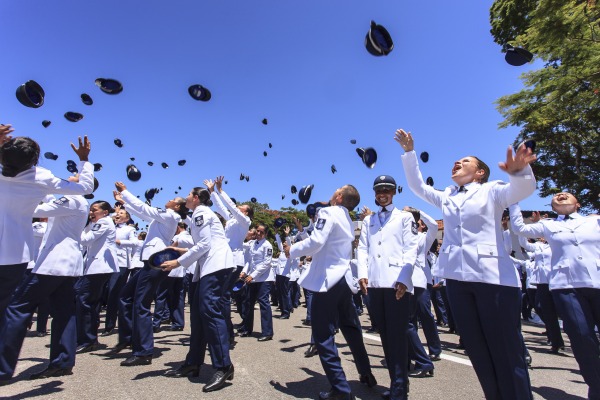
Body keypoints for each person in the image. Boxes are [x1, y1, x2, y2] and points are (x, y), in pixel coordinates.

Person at [396, 128, 537, 400]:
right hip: (457, 280)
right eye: (456, 161)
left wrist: (519, 172)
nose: (457, 163)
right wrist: (409, 152)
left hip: (493, 279)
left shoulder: (492, 191)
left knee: (507, 352)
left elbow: (522, 189)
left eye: (465, 161)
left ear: (480, 172)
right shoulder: (447, 195)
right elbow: (418, 187)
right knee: (478, 352)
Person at [284, 185, 376, 400]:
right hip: (343, 279)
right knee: (352, 329)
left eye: (336, 191)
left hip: (328, 282)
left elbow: (316, 241)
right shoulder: (346, 217)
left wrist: (293, 250)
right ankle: (366, 373)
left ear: (339, 197)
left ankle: (341, 390)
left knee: (323, 336)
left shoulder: (328, 212)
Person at [0, 176, 92, 384]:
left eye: (73, 178)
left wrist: (17, 197)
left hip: (55, 264)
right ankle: (62, 361)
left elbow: (37, 210)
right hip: (65, 265)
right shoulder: (71, 200)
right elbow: (49, 197)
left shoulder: (73, 199)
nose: (67, 180)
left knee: (17, 306)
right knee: (64, 313)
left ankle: (3, 367)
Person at [509, 194, 600, 400]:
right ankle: (596, 386)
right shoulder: (548, 225)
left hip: (597, 281)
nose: (560, 195)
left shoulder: (593, 221)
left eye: (567, 195)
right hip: (566, 286)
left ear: (578, 204)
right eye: (556, 197)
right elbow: (519, 229)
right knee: (581, 337)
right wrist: (514, 198)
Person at [0, 129, 93, 321]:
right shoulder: (41, 178)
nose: (73, 174)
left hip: (30, 257)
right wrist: (84, 159)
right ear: (34, 160)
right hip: (15, 254)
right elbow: (85, 187)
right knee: (9, 307)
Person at [161, 187, 235, 392]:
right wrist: (181, 251)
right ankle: (194, 361)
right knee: (197, 314)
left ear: (195, 198)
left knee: (209, 312)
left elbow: (204, 244)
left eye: (188, 194)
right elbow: (204, 243)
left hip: (216, 265)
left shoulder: (201, 212)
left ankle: (223, 366)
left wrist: (178, 262)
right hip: (205, 267)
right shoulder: (198, 214)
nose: (185, 197)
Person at [106, 183, 187, 366]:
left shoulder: (170, 215)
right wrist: (124, 202)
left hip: (155, 262)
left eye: (173, 200)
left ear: (177, 206)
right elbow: (143, 213)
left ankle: (143, 351)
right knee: (125, 296)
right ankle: (128, 338)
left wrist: (125, 192)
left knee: (140, 304)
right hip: (149, 262)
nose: (169, 199)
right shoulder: (164, 216)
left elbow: (144, 209)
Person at [356, 176, 419, 400]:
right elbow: (362, 248)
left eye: (387, 190)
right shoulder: (368, 221)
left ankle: (400, 389)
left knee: (398, 338)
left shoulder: (405, 217)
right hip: (374, 283)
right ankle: (397, 384)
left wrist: (404, 278)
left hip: (396, 284)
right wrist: (362, 274)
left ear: (393, 193)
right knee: (385, 336)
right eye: (379, 190)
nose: (382, 194)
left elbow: (411, 249)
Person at [76, 200, 119, 353]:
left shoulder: (104, 222)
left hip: (99, 267)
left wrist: (78, 227)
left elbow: (85, 239)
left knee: (84, 300)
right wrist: (88, 223)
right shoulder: (97, 223)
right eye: (90, 210)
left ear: (105, 212)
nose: (91, 212)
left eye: (94, 210)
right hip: (94, 267)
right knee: (89, 302)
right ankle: (88, 338)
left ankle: (88, 339)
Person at [102, 207, 136, 336]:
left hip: (120, 263)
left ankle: (110, 325)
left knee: (113, 293)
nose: (117, 214)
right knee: (102, 293)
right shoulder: (108, 225)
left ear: (127, 218)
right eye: (117, 213)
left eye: (121, 213)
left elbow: (134, 242)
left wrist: (120, 242)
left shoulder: (129, 229)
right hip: (103, 262)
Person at [238, 223, 275, 341]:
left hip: (264, 279)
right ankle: (247, 329)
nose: (258, 233)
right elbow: (249, 261)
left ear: (266, 234)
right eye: (257, 231)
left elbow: (266, 263)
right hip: (252, 278)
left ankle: (267, 332)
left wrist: (252, 275)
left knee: (264, 303)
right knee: (248, 303)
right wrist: (244, 272)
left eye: (261, 232)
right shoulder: (252, 244)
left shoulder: (267, 246)